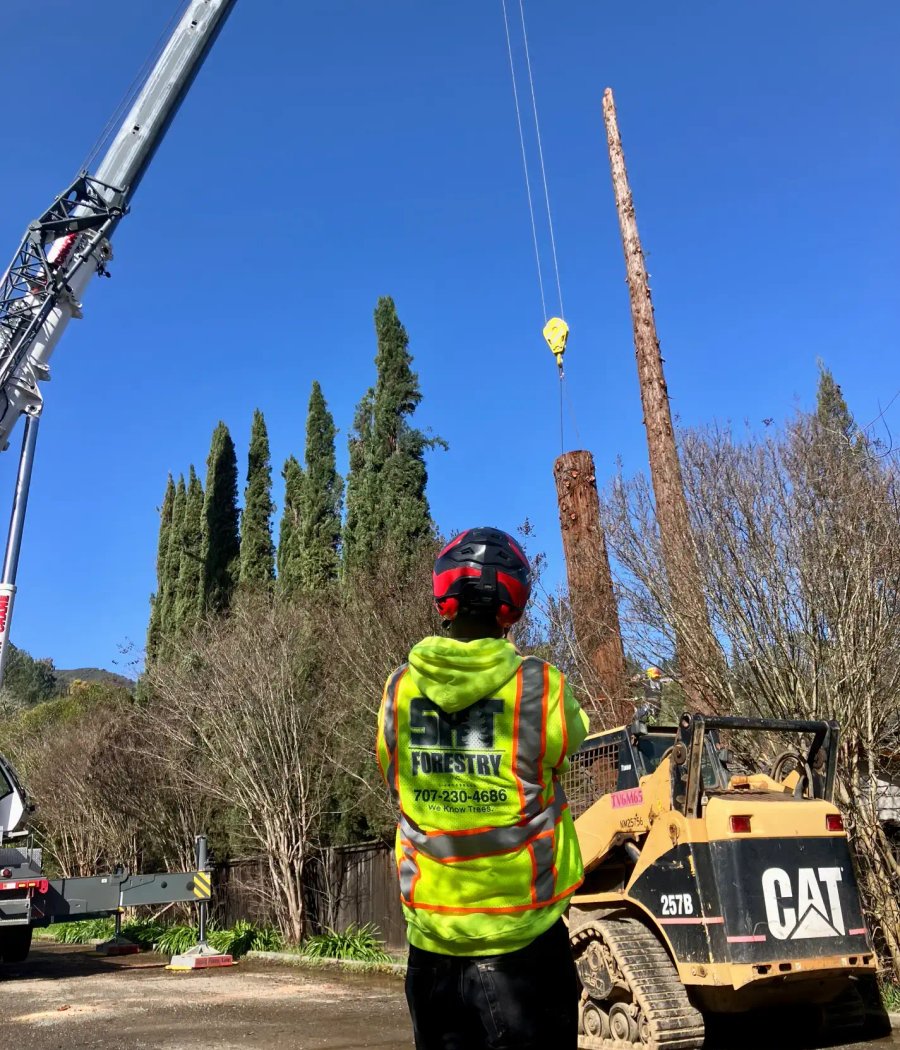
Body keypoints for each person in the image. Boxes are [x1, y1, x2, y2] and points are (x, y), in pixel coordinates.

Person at [376, 526, 589, 1050]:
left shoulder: (399, 690)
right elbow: (569, 750)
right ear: (511, 609)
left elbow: (392, 774)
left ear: (443, 601)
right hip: (526, 950)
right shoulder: (541, 687)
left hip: (433, 952)